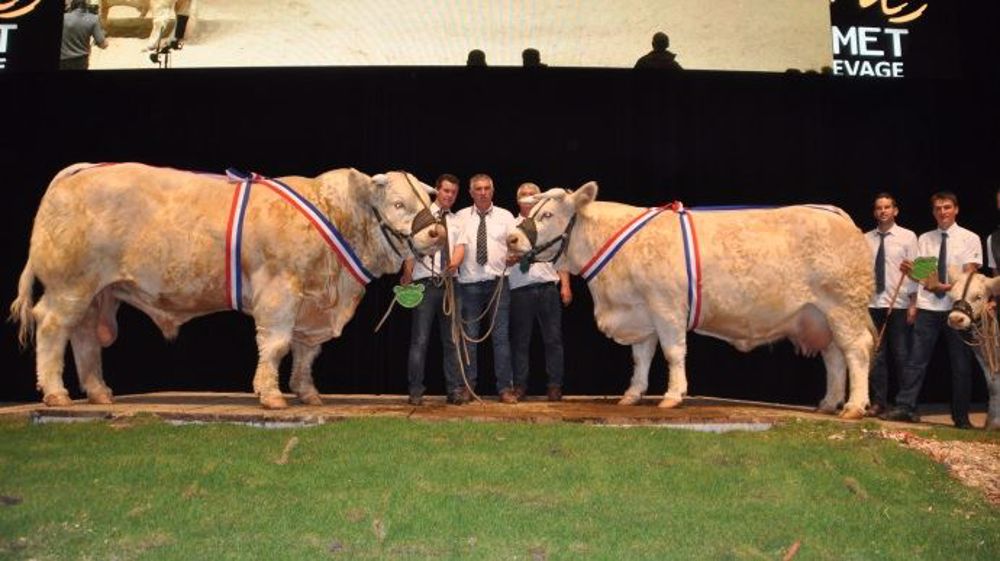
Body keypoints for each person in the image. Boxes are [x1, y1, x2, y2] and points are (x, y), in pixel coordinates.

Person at [885, 192, 982, 428]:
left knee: (960, 364)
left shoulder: (970, 238)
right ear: (933, 212)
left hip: (957, 309)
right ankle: (905, 407)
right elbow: (924, 276)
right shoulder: (926, 238)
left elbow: (969, 277)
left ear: (956, 209)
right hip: (928, 307)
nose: (942, 212)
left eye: (947, 207)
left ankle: (961, 417)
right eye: (938, 208)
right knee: (916, 361)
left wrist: (943, 286)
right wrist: (913, 273)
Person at [448, 174, 518, 403]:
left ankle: (505, 389)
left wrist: (514, 257)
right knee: (469, 340)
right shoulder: (459, 217)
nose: (483, 192)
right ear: (470, 192)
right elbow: (453, 246)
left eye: (487, 188)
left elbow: (517, 244)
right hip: (468, 285)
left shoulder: (506, 216)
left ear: (493, 191)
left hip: (499, 282)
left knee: (501, 339)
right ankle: (468, 386)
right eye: (478, 189)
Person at [399, 174, 464, 406]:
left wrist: (454, 263)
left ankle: (454, 390)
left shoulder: (457, 221)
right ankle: (416, 391)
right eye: (446, 191)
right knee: (420, 340)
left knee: (452, 340)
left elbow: (460, 247)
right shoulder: (422, 217)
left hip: (450, 285)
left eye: (454, 192)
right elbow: (410, 249)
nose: (449, 196)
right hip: (425, 284)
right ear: (437, 191)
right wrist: (407, 274)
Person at [509, 183, 571, 401]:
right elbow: (501, 258)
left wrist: (565, 285)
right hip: (520, 290)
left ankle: (555, 385)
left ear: (539, 199)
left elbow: (561, 255)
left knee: (553, 340)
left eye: (532, 195)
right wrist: (510, 257)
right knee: (520, 342)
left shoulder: (548, 223)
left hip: (547, 287)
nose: (528, 198)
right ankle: (519, 386)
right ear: (518, 200)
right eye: (524, 195)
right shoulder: (511, 226)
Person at [864, 193, 918, 418]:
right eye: (879, 208)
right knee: (876, 356)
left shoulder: (909, 237)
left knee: (901, 355)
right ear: (875, 212)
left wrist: (914, 303)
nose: (883, 211)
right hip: (872, 303)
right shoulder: (866, 238)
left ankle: (905, 405)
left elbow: (920, 270)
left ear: (895, 211)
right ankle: (879, 402)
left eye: (887, 207)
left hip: (899, 303)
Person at [60, 0, 107, 71]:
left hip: (62, 61)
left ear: (71, 7)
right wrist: (101, 34)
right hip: (81, 61)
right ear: (86, 7)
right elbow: (103, 45)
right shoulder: (93, 19)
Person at [986, 187, 1000, 276]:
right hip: (935, 289)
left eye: (947, 207)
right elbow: (996, 277)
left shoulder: (968, 238)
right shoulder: (992, 239)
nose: (942, 212)